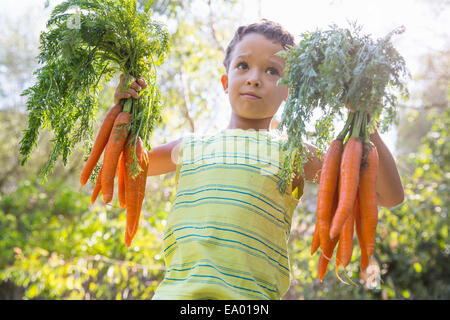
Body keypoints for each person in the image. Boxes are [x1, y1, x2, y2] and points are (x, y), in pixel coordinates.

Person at [113, 19, 404, 300]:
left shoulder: (294, 152)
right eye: (243, 66)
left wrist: (366, 121)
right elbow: (119, 167)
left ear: (289, 90)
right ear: (226, 81)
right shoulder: (190, 146)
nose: (254, 78)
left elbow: (387, 195)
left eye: (272, 71)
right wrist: (123, 111)